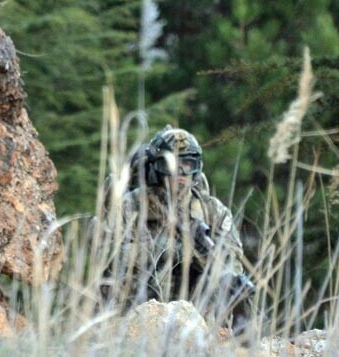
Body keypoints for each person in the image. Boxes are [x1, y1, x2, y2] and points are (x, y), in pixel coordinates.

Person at [107, 126, 254, 328]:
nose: (181, 173)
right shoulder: (131, 205)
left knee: (234, 287)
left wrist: (206, 259)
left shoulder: (213, 210)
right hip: (139, 311)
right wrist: (172, 250)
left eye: (188, 164)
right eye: (172, 165)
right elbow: (114, 258)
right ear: (157, 167)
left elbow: (232, 258)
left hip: (196, 313)